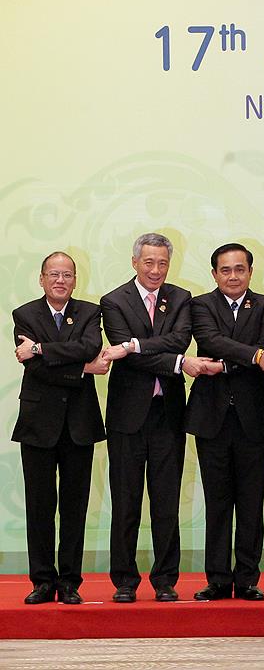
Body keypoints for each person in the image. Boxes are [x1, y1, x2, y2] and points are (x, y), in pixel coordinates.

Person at [100, 232, 206, 603]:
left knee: (166, 501)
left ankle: (165, 580)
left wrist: (133, 345)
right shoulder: (113, 301)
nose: (156, 270)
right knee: (125, 501)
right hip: (127, 417)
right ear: (135, 262)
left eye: (162, 263)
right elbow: (133, 359)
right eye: (149, 262)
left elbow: (179, 340)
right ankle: (124, 581)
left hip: (168, 414)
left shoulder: (181, 297)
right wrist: (176, 363)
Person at [184, 243, 264, 601]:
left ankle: (248, 579)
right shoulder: (200, 305)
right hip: (211, 416)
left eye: (240, 269)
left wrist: (226, 362)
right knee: (218, 501)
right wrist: (254, 356)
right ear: (214, 274)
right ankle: (218, 579)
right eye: (225, 270)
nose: (233, 276)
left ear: (251, 271)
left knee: (252, 502)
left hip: (255, 416)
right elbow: (210, 340)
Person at [12, 252, 109, 604]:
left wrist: (40, 348)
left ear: (75, 279)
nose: (60, 280)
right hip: (37, 424)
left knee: (74, 506)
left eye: (67, 274)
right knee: (39, 507)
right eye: (53, 274)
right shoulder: (24, 314)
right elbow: (35, 369)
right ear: (41, 279)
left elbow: (89, 346)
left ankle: (69, 582)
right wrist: (82, 369)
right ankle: (41, 581)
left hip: (79, 424)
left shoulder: (90, 312)